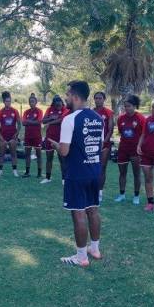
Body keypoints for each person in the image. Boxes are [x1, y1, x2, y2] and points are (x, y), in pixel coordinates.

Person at [48, 81, 103, 267]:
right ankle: (94, 248)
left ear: (75, 96)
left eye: (67, 94)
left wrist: (55, 145)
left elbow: (64, 152)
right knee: (93, 210)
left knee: (78, 214)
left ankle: (81, 257)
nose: (65, 98)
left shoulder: (69, 119)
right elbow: (98, 146)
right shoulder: (98, 118)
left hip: (77, 173)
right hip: (94, 172)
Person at [115, 95, 146, 204]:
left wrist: (140, 147)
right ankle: (122, 194)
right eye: (125, 106)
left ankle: (136, 196)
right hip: (123, 149)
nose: (126, 108)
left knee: (136, 173)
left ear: (134, 106)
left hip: (135, 150)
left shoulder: (140, 118)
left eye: (129, 106)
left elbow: (144, 134)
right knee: (122, 173)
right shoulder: (121, 118)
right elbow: (120, 131)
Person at [41, 95, 69, 184]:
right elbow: (43, 120)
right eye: (56, 105)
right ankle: (47, 178)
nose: (58, 106)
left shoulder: (65, 109)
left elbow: (61, 120)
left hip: (61, 137)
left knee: (62, 159)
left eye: (59, 104)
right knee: (49, 158)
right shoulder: (50, 109)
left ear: (62, 103)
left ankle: (64, 179)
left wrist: (49, 122)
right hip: (50, 137)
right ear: (53, 104)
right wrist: (50, 118)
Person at [93, 92, 114, 202]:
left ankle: (99, 192)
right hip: (91, 144)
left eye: (100, 98)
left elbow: (110, 130)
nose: (98, 100)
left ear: (104, 99)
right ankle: (92, 190)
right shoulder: (91, 112)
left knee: (102, 168)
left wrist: (103, 142)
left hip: (104, 145)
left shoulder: (108, 112)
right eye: (96, 98)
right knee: (91, 167)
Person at [0, 91, 21, 177]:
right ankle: (0, 171)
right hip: (3, 137)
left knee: (13, 154)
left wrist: (16, 134)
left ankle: (15, 171)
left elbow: (19, 124)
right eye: (7, 101)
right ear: (4, 102)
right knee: (1, 154)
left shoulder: (15, 111)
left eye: (9, 101)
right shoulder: (0, 112)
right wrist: (0, 137)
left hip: (12, 137)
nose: (8, 103)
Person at [22, 94, 43, 178]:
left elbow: (39, 122)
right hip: (27, 136)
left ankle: (39, 173)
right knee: (27, 155)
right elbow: (23, 122)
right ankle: (27, 172)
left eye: (33, 101)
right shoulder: (26, 112)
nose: (31, 103)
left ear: (36, 102)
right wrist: (32, 121)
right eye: (30, 102)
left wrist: (28, 121)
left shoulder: (39, 111)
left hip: (37, 136)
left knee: (39, 155)